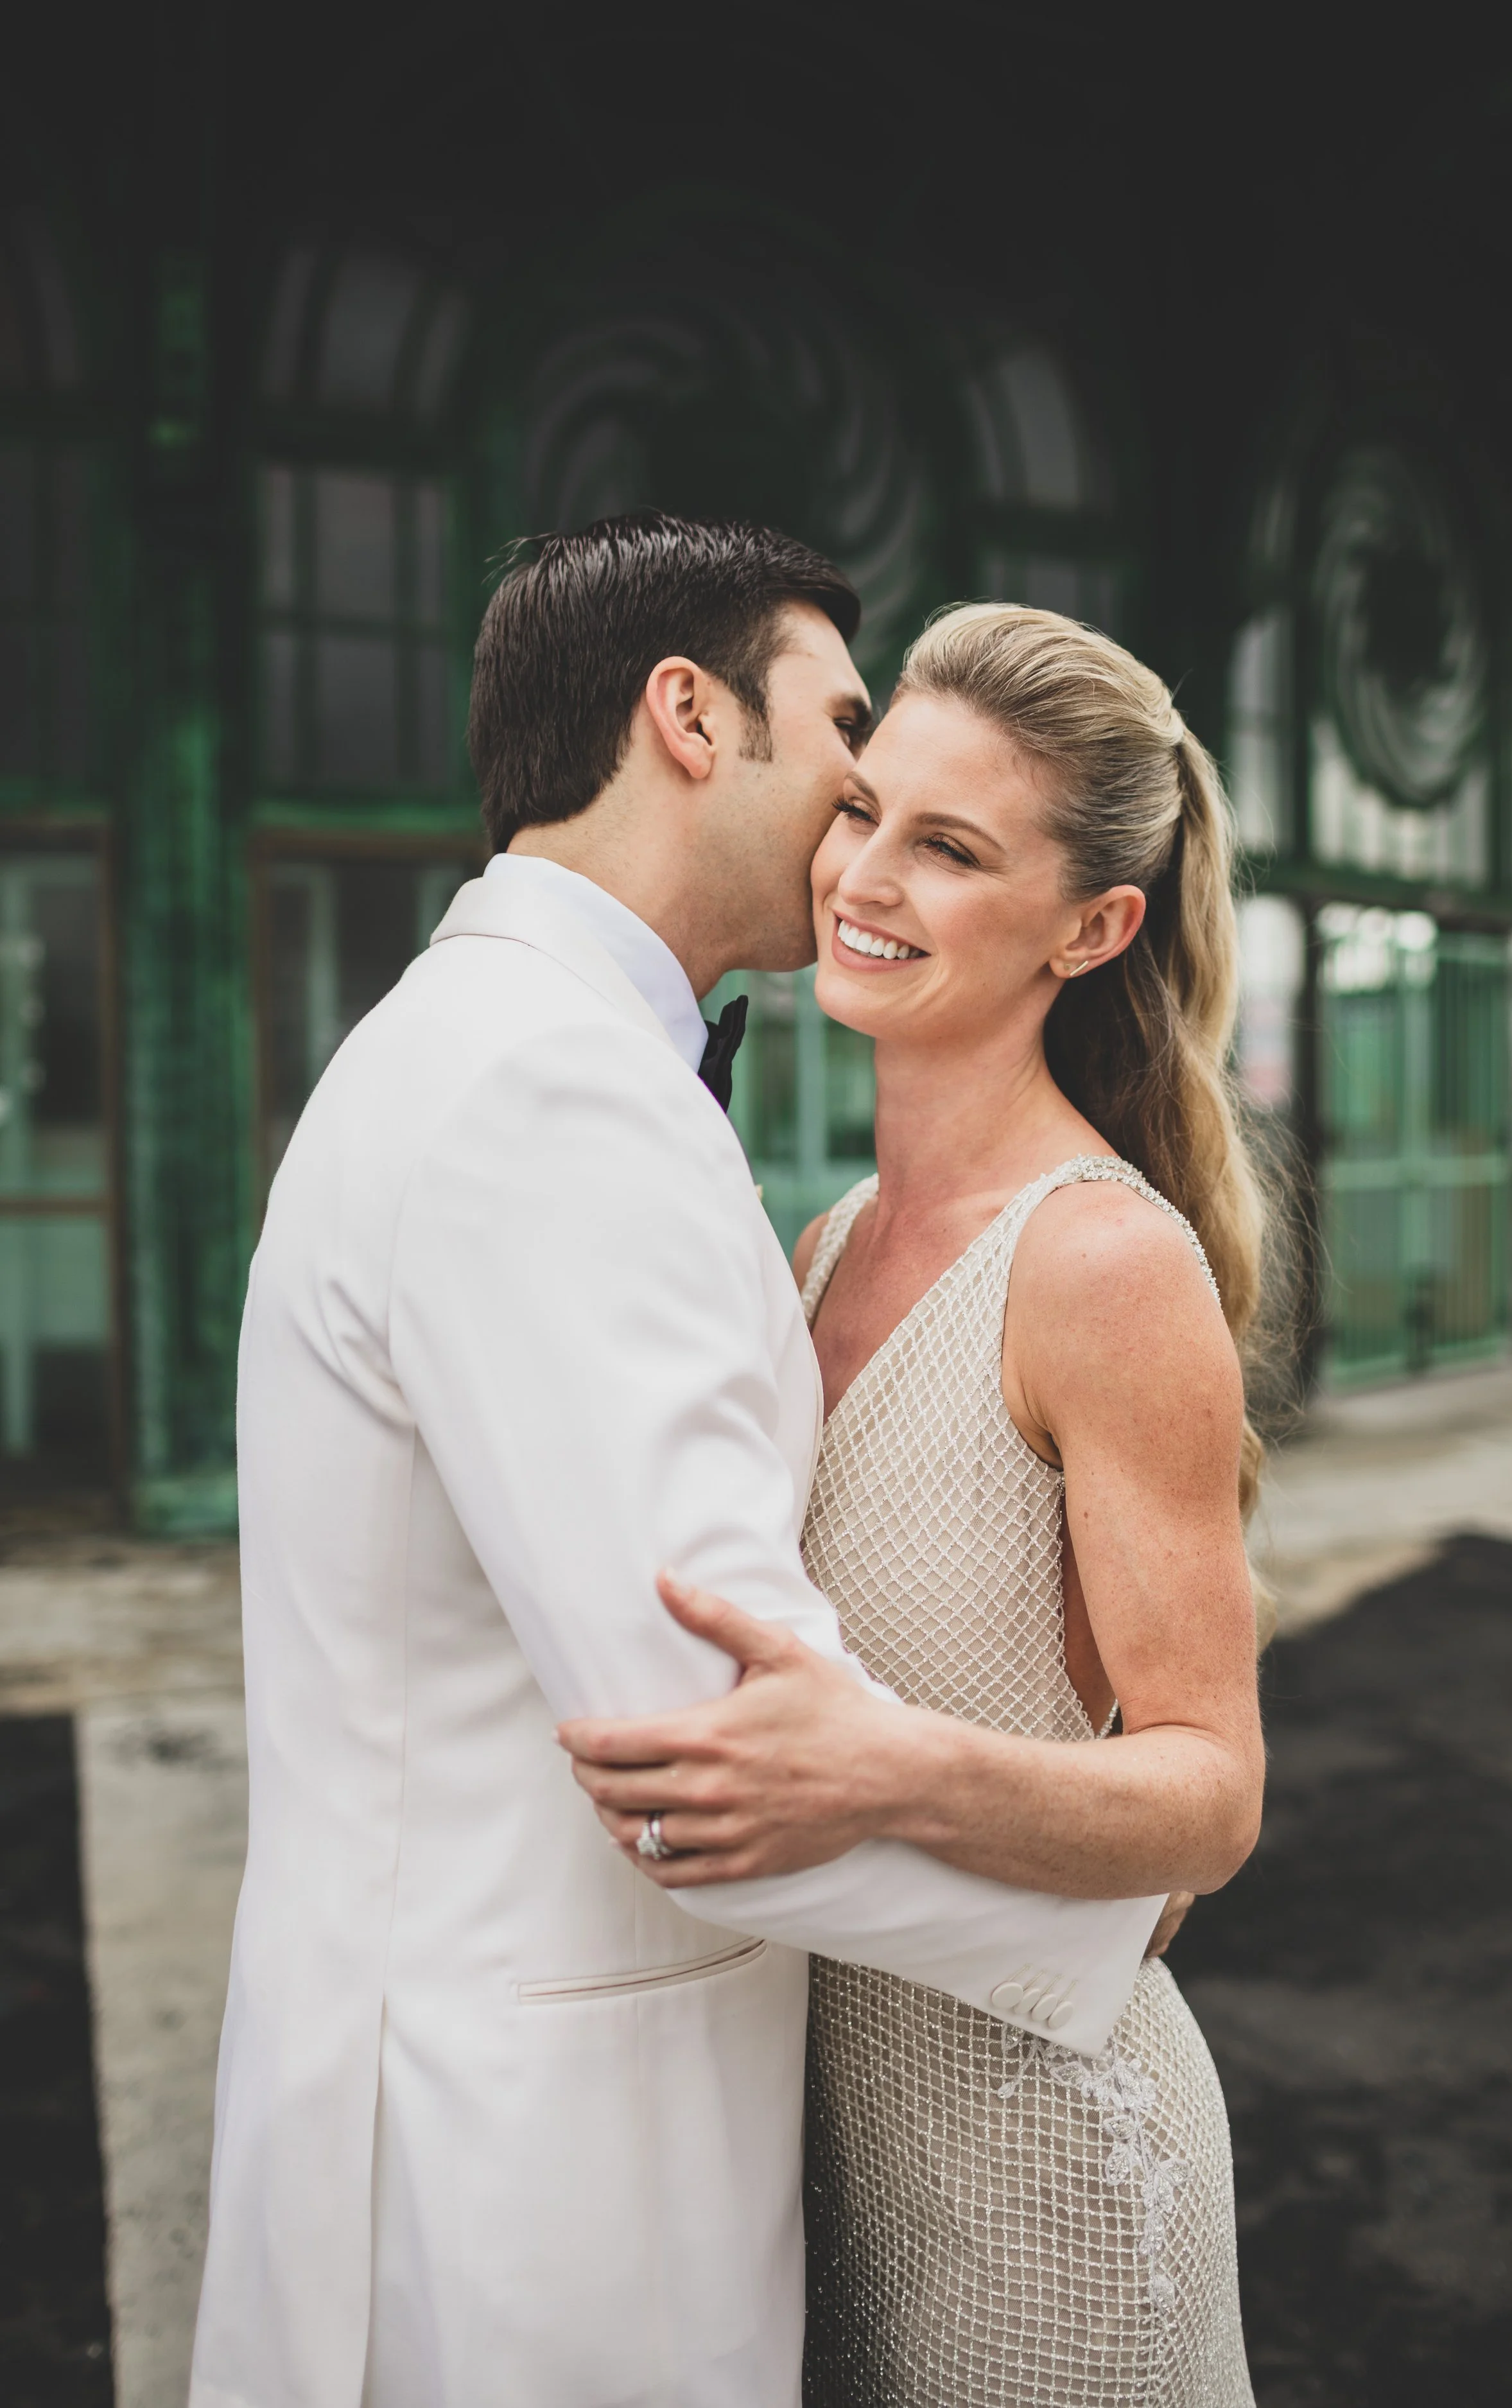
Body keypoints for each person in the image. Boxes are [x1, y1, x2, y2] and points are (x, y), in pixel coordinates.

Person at [189, 524, 1169, 2408]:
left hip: (472, 2097)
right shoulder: (549, 1091)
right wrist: (1106, 1896)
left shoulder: (487, 1045)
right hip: (536, 2184)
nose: (859, 814)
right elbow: (707, 1747)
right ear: (689, 718)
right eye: (843, 742)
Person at [560, 604, 1267, 2404]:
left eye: (949, 848)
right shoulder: (818, 1250)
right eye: (863, 806)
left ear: (1092, 927)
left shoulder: (1103, 1263)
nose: (863, 871)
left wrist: (884, 1765)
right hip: (825, 2160)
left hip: (1053, 2177)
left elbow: (1208, 1786)